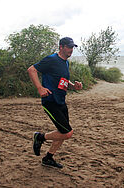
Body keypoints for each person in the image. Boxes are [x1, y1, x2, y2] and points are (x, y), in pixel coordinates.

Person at [27, 37, 82, 169]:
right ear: (61, 47)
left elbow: (62, 80)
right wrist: (40, 88)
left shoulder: (65, 62)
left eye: (73, 47)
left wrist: (73, 86)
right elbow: (31, 70)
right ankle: (40, 137)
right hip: (50, 101)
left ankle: (48, 158)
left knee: (62, 131)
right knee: (67, 133)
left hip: (61, 101)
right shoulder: (51, 59)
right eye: (69, 47)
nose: (71, 50)